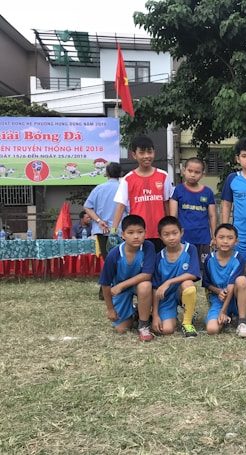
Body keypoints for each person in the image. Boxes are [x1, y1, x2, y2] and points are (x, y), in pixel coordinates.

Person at [110, 135, 173, 253]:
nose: (146, 156)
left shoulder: (163, 176)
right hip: (137, 234)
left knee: (160, 267)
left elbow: (167, 203)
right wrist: (113, 230)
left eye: (149, 152)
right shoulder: (128, 179)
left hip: (160, 233)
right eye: (142, 153)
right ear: (134, 155)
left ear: (154, 152)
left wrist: (172, 226)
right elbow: (121, 205)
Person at [98, 214, 156, 341]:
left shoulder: (148, 247)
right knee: (121, 329)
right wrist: (110, 310)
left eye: (140, 232)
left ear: (145, 233)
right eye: (130, 232)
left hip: (135, 286)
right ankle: (136, 312)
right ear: (123, 235)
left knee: (145, 285)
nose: (136, 236)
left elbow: (147, 274)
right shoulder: (114, 254)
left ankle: (144, 325)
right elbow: (105, 283)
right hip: (121, 291)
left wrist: (121, 285)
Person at [151, 216, 201, 337]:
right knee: (166, 330)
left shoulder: (190, 249)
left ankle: (187, 322)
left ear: (181, 232)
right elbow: (155, 288)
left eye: (175, 233)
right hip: (166, 298)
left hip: (180, 291)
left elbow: (193, 274)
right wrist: (155, 315)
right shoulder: (158, 257)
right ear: (160, 236)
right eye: (166, 234)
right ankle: (146, 312)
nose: (171, 238)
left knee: (188, 283)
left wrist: (168, 282)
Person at [84, 162, 126, 300]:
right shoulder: (123, 188)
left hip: (102, 230)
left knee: (108, 261)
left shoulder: (99, 188)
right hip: (121, 231)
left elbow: (87, 207)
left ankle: (105, 291)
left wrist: (98, 220)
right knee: (121, 261)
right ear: (121, 174)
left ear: (106, 173)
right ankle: (116, 289)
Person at [202, 224, 246, 338]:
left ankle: (242, 322)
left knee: (242, 280)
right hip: (219, 299)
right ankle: (225, 319)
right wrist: (218, 291)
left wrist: (222, 311)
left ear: (236, 241)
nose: (225, 241)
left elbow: (231, 285)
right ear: (214, 240)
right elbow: (207, 283)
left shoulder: (239, 258)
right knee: (211, 329)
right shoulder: (209, 259)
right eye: (221, 237)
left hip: (234, 298)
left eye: (230, 238)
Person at [170, 157, 217, 270]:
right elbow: (173, 216)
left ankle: (208, 288)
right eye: (190, 171)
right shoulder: (178, 190)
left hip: (203, 238)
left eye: (197, 172)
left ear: (202, 174)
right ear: (184, 170)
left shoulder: (208, 192)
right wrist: (173, 234)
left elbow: (212, 215)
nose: (193, 175)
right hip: (184, 238)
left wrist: (214, 236)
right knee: (183, 268)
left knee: (205, 269)